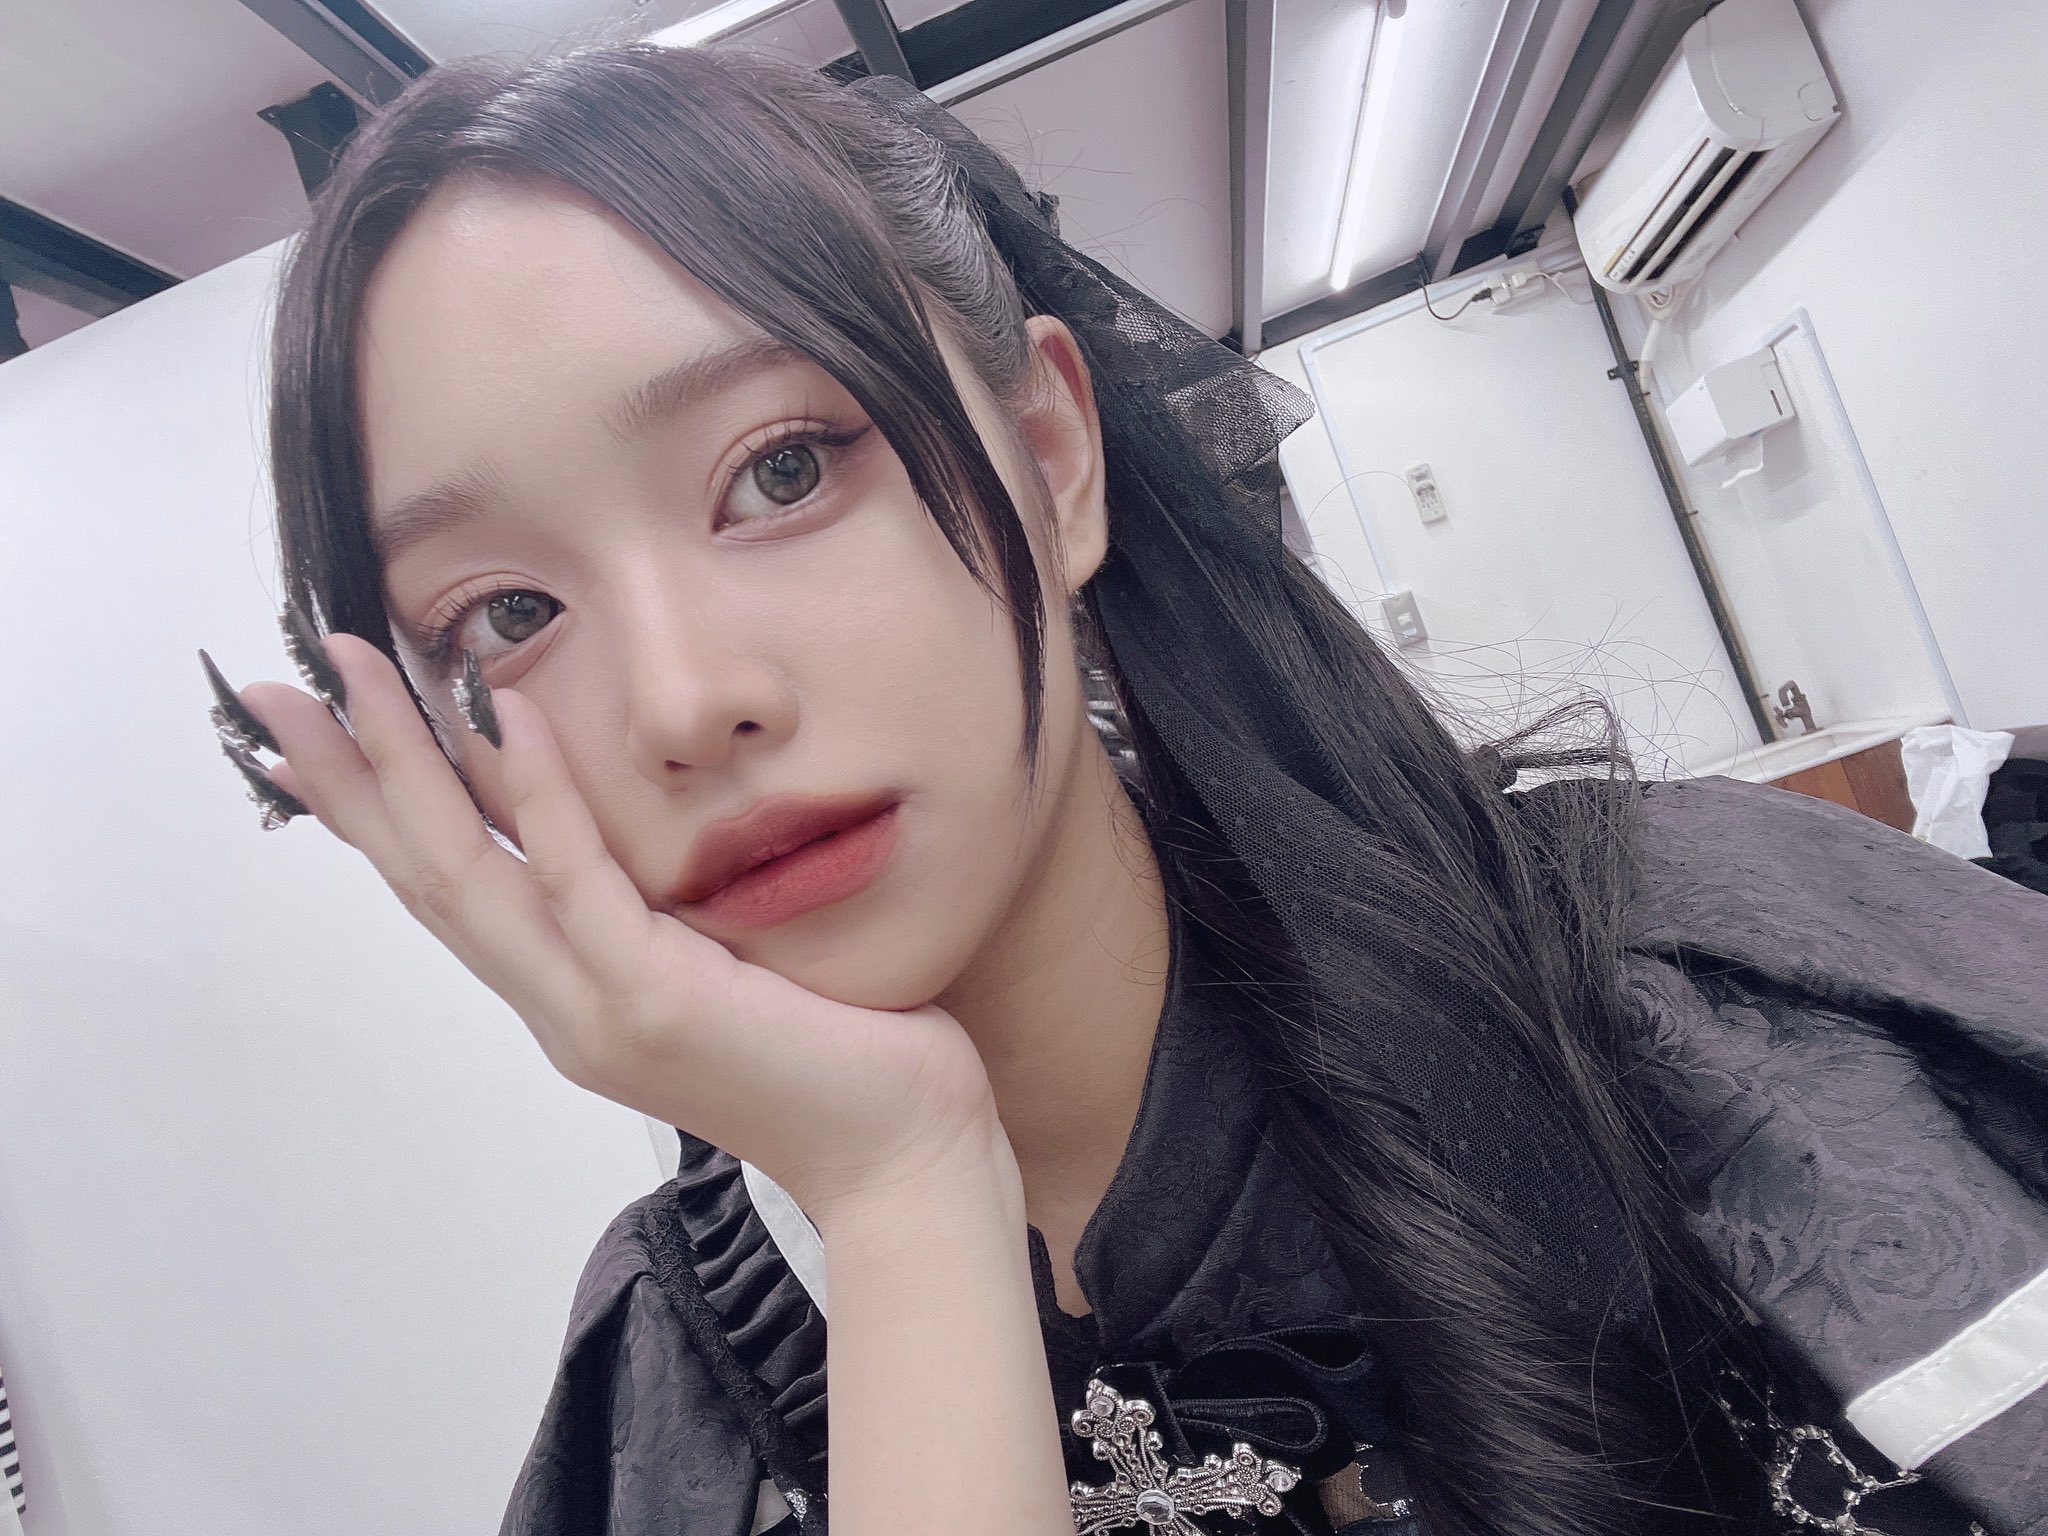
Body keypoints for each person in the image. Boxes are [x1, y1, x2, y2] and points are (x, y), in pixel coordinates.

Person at [196, 39, 2046, 1536]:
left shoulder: (1719, 1012)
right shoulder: (675, 1385)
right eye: (506, 615)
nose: (686, 704)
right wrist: (901, 1194)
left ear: (1054, 456)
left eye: (781, 470)